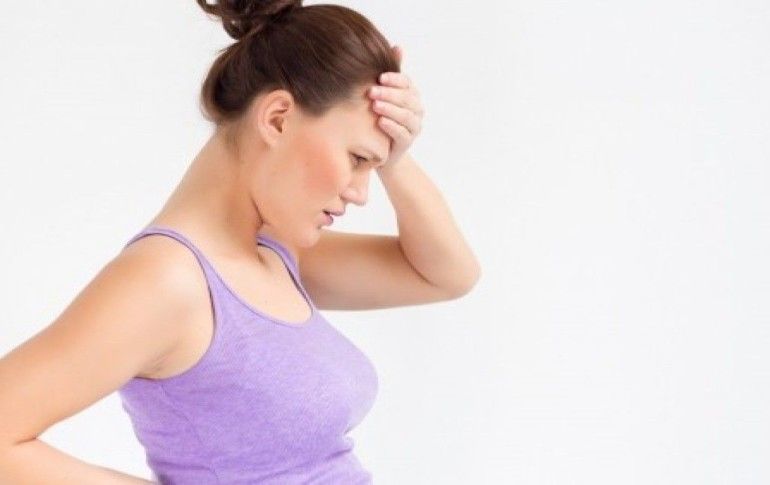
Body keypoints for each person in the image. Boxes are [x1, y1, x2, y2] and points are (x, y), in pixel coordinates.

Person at [0, 0, 481, 483]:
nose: (360, 193)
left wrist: (395, 156)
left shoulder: (274, 252)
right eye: (357, 159)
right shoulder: (168, 280)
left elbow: (445, 276)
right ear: (277, 118)